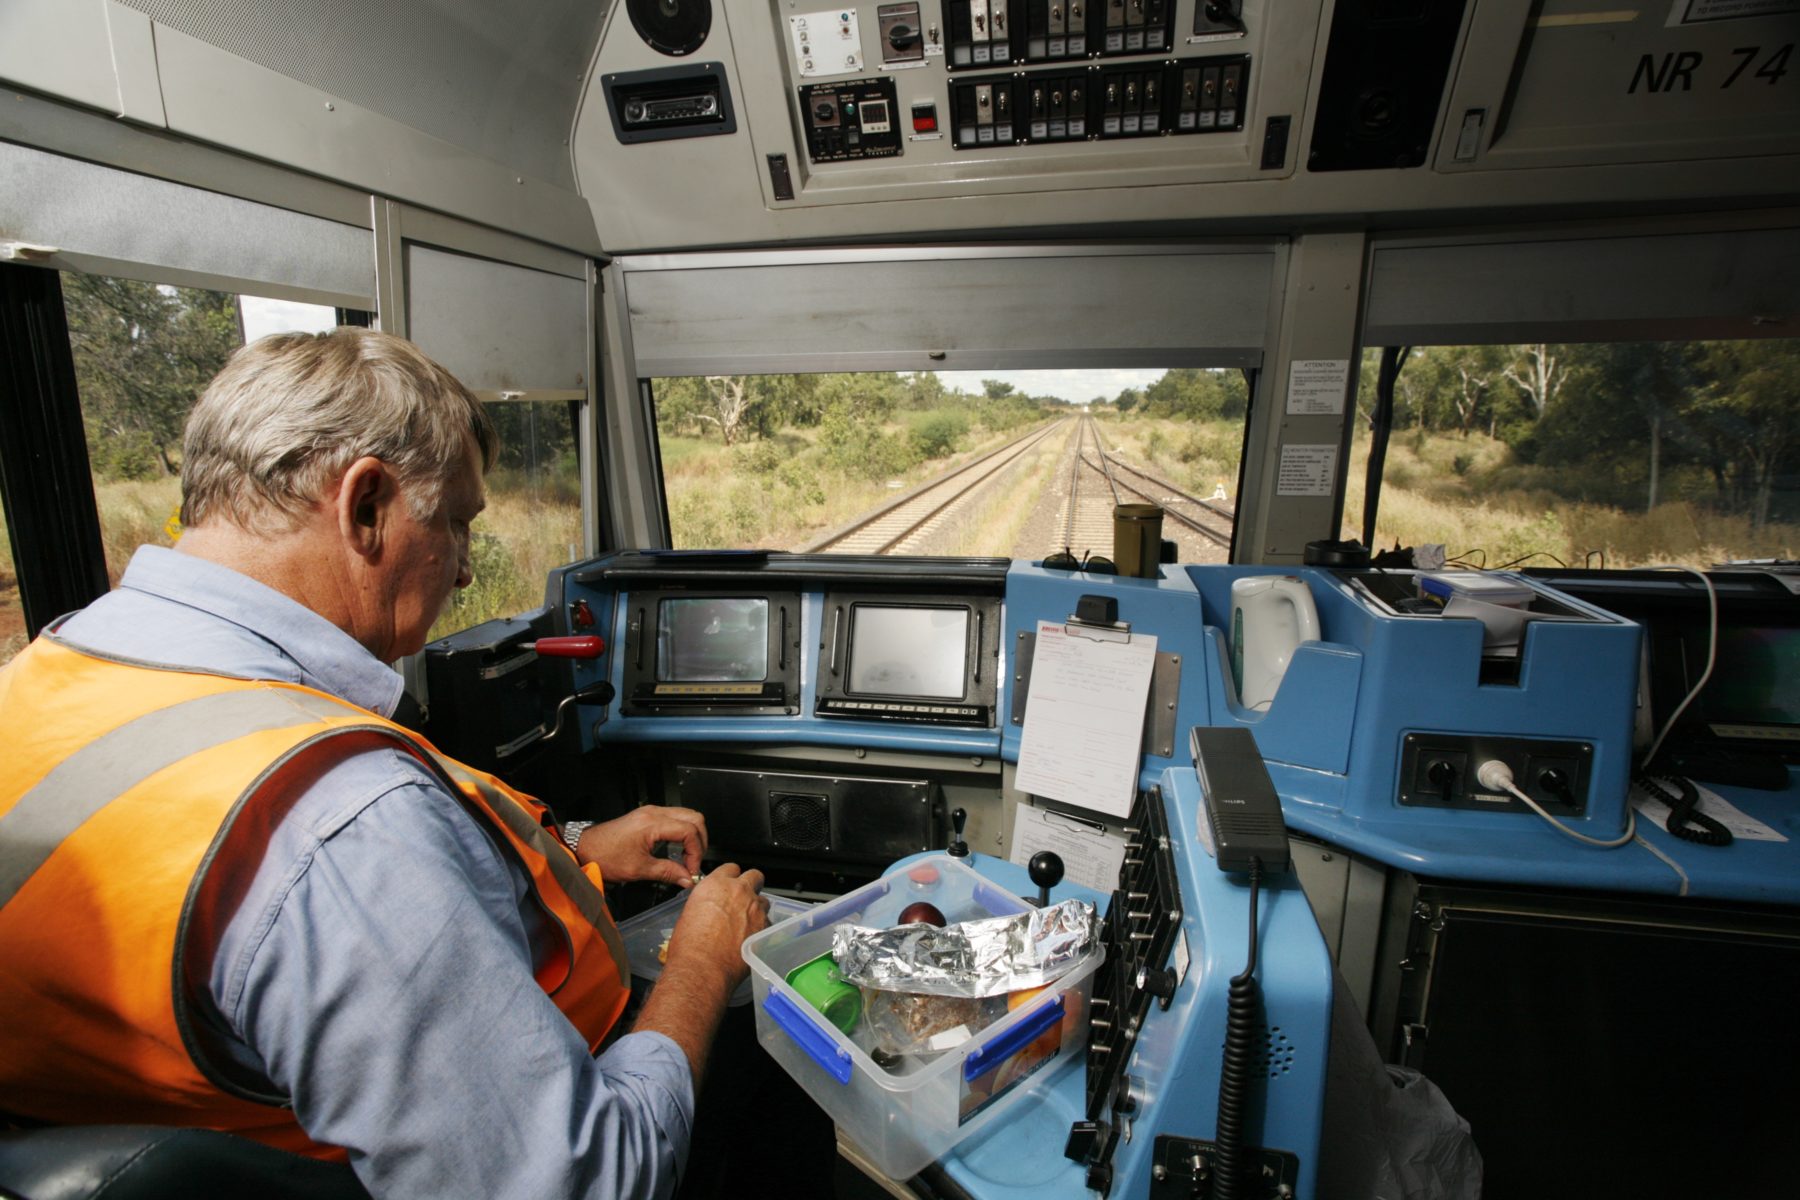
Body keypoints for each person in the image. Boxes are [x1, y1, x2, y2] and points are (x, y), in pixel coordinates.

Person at [0, 328, 770, 1200]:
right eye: (456, 523)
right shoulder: (346, 823)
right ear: (365, 506)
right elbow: (586, 1180)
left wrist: (582, 851)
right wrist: (702, 963)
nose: (469, 571)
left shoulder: (50, 673)